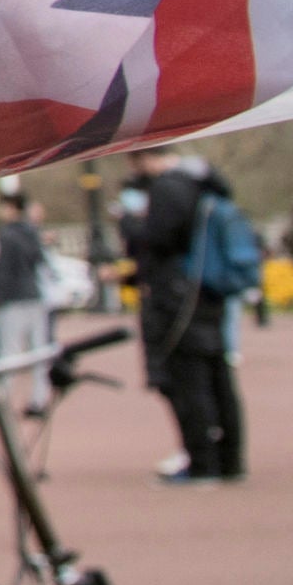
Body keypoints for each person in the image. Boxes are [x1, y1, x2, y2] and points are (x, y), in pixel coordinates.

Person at [123, 149, 246, 484]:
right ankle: (231, 461)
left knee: (188, 381)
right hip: (206, 293)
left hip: (177, 298)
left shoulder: (167, 188)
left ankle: (203, 462)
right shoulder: (204, 182)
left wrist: (130, 223)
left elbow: (159, 239)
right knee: (218, 377)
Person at [0, 178, 55, 411]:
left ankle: (1, 400)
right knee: (38, 350)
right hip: (33, 294)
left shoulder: (6, 234)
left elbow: (5, 270)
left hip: (13, 297)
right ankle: (39, 398)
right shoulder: (32, 232)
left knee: (8, 352)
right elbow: (39, 261)